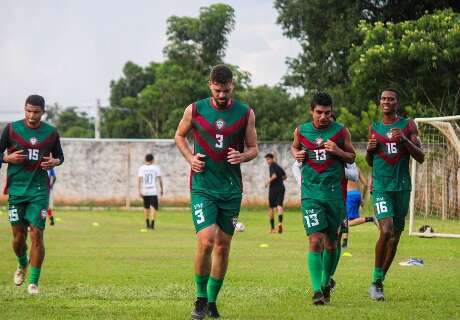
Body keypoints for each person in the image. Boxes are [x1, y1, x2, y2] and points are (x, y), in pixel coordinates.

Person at [175, 64, 258, 319]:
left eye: (227, 90)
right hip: (203, 187)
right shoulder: (195, 109)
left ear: (233, 85)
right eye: (218, 90)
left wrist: (242, 155)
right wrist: (190, 158)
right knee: (206, 240)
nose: (222, 95)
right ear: (210, 85)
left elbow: (254, 148)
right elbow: (179, 136)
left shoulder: (245, 113)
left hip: (231, 190)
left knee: (222, 246)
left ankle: (212, 302)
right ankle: (200, 298)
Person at [291, 92, 356, 305]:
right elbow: (295, 147)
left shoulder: (340, 131)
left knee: (332, 243)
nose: (323, 117)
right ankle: (317, 290)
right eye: (319, 113)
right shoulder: (302, 131)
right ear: (312, 111)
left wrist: (337, 150)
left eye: (327, 113)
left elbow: (352, 156)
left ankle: (327, 281)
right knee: (315, 240)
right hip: (311, 194)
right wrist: (297, 154)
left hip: (334, 195)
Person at [0, 94, 64, 295]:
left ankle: (33, 283)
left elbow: (60, 156)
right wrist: (7, 157)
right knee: (19, 238)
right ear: (24, 109)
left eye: (36, 112)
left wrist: (55, 162)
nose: (31, 115)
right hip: (17, 190)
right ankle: (21, 263)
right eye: (28, 110)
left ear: (43, 112)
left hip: (39, 190)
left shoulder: (51, 133)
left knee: (37, 233)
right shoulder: (11, 129)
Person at [366, 88, 424, 301]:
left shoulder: (408, 125)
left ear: (397, 103)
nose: (386, 101)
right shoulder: (374, 128)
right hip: (381, 187)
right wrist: (369, 150)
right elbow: (371, 161)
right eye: (383, 98)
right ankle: (375, 278)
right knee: (387, 230)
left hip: (402, 188)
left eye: (390, 99)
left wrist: (405, 141)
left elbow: (421, 157)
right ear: (379, 102)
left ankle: (378, 282)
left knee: (395, 238)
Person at [340, 163, 376, 249]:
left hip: (348, 195)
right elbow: (366, 184)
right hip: (356, 194)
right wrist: (362, 198)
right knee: (346, 219)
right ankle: (344, 243)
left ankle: (371, 218)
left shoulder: (342, 167)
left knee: (348, 222)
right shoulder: (357, 168)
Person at [137, 153, 163, 230]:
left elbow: (139, 180)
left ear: (145, 159)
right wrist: (162, 189)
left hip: (145, 191)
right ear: (152, 160)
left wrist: (139, 191)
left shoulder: (142, 168)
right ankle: (152, 224)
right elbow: (159, 179)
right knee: (154, 208)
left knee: (146, 207)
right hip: (153, 191)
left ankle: (147, 223)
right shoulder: (155, 168)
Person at [264, 153, 286, 234]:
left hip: (273, 189)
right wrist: (279, 181)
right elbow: (285, 176)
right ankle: (280, 223)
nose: (267, 161)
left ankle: (273, 229)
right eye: (266, 160)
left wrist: (267, 182)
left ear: (272, 159)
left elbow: (274, 176)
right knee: (279, 206)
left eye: (268, 159)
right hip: (281, 188)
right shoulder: (279, 167)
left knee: (271, 208)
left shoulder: (272, 166)